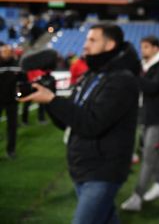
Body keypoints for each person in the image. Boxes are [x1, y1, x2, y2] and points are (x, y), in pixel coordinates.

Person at [19, 23, 140, 224]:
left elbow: (91, 124)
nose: (85, 45)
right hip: (83, 168)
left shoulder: (122, 80)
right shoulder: (91, 75)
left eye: (92, 40)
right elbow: (71, 122)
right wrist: (50, 98)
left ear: (110, 44)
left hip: (102, 171)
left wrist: (52, 100)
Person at [121, 35, 159, 211]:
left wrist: (134, 74)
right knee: (151, 152)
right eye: (142, 47)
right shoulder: (148, 66)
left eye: (145, 47)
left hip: (157, 117)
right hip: (147, 115)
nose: (142, 50)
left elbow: (152, 87)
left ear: (155, 48)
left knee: (148, 156)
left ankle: (137, 196)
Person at [0, 44, 20, 159]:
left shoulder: (17, 65)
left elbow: (22, 81)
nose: (5, 53)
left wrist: (19, 95)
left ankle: (11, 150)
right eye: (3, 51)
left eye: (7, 51)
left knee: (12, 127)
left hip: (12, 101)